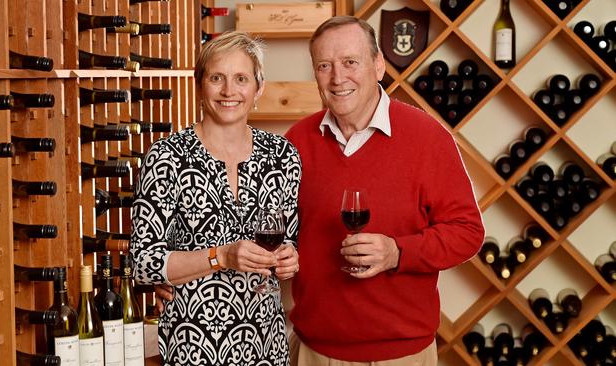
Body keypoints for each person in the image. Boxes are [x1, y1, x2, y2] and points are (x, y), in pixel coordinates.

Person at [282, 16, 485, 365]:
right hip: (316, 352)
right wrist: (181, 277)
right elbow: (266, 231)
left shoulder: (427, 138)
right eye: (324, 66)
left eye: (350, 62)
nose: (337, 77)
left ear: (378, 65)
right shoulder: (296, 142)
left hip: (403, 355)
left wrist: (397, 253)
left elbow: (467, 233)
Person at [130, 31, 301, 366]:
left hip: (266, 346)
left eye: (241, 79)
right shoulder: (167, 157)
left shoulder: (282, 156)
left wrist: (290, 260)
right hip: (191, 346)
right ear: (199, 86)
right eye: (217, 78)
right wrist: (221, 256)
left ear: (258, 89)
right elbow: (144, 264)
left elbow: (289, 243)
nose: (229, 91)